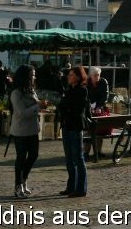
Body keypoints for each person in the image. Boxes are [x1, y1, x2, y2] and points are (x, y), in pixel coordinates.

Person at [9, 65, 41, 199]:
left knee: (33, 155)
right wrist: (38, 106)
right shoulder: (16, 93)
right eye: (32, 75)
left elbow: (34, 105)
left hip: (33, 129)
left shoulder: (31, 90)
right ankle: (17, 185)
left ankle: (24, 178)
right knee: (21, 158)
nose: (34, 77)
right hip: (21, 130)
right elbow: (22, 112)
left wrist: (40, 106)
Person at [57, 66, 88, 197]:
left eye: (71, 75)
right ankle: (71, 186)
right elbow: (62, 105)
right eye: (69, 75)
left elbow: (77, 108)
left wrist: (66, 107)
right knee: (69, 158)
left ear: (78, 76)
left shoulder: (82, 90)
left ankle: (81, 188)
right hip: (66, 125)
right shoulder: (68, 90)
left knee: (78, 157)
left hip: (75, 126)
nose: (69, 77)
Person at [84, 66, 109, 159]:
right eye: (95, 75)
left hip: (100, 108)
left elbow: (105, 96)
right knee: (88, 130)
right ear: (90, 76)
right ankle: (86, 152)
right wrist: (89, 106)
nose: (97, 77)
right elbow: (85, 96)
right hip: (88, 108)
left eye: (98, 75)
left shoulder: (103, 82)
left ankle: (98, 151)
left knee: (100, 130)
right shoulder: (87, 83)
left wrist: (99, 106)